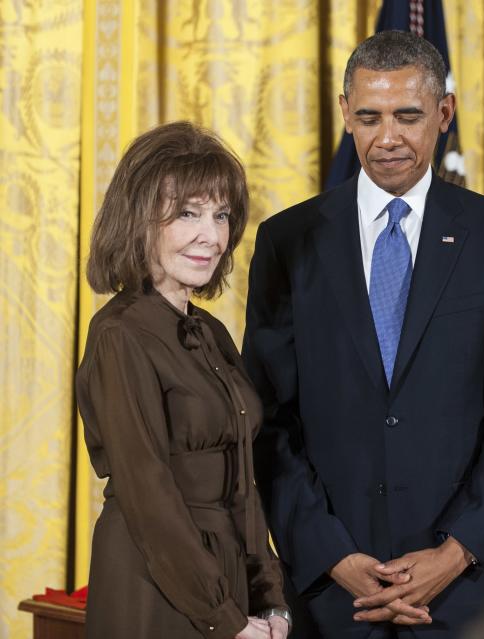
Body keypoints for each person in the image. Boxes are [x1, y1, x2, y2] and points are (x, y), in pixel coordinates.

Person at [243, 30, 484, 638]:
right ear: (345, 115)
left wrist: (453, 554)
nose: (387, 138)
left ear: (444, 113)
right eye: (369, 117)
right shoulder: (286, 242)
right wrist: (332, 555)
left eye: (407, 116)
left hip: (462, 595)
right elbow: (270, 420)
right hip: (333, 594)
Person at [76, 121, 290, 639]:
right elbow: (149, 496)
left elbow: (244, 480)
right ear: (139, 220)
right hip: (156, 581)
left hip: (226, 579)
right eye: (188, 214)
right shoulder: (119, 333)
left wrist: (270, 600)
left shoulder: (211, 332)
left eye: (221, 216)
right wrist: (224, 619)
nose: (212, 236)